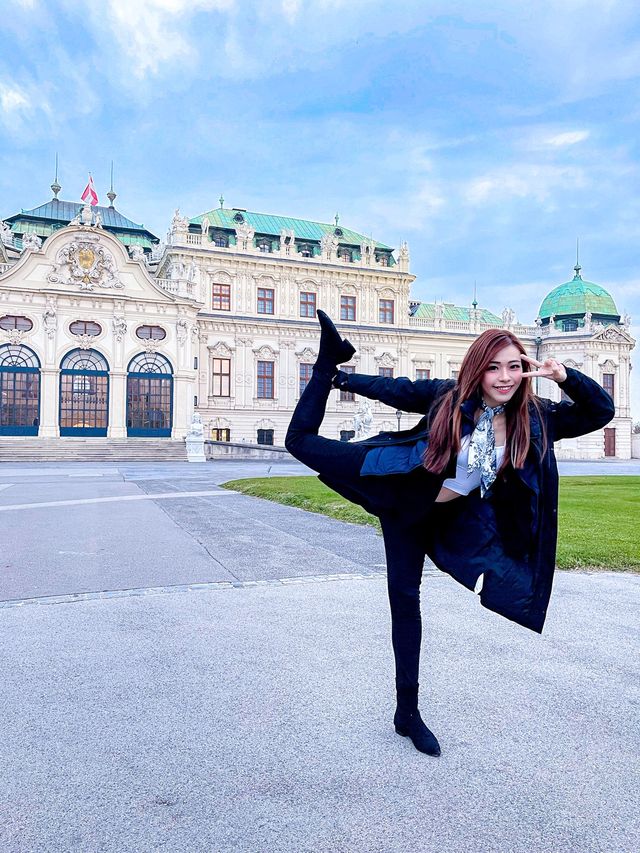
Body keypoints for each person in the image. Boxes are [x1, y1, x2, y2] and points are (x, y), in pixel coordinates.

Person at [285, 310, 615, 758]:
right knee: (299, 443)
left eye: (514, 366)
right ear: (476, 368)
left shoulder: (538, 418)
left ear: (526, 369)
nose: (504, 377)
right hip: (400, 494)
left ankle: (407, 714)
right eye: (493, 366)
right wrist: (341, 380)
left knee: (436, 596)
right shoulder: (449, 397)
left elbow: (600, 412)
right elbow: (397, 390)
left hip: (450, 518)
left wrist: (565, 376)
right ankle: (327, 363)